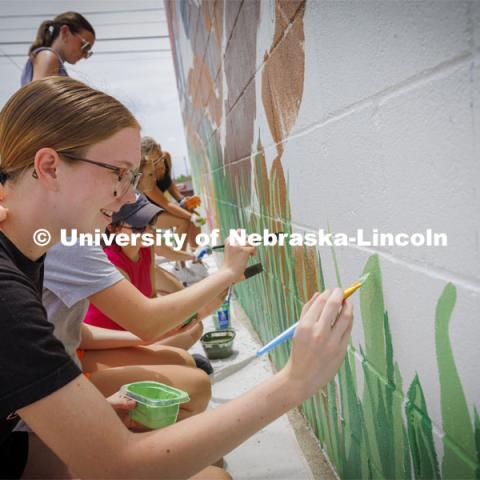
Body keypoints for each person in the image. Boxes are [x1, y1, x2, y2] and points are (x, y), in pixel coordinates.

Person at [0, 76, 353, 479]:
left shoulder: (31, 248)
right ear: (49, 167)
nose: (130, 197)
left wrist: (82, 415)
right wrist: (296, 381)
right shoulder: (10, 288)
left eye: (133, 178)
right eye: (119, 173)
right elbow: (119, 466)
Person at [141, 137, 209, 284]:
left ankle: (198, 260)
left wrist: (182, 200)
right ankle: (179, 266)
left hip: (162, 205)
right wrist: (190, 217)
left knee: (191, 212)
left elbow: (169, 184)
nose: (157, 165)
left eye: (158, 159)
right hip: (147, 211)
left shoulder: (166, 158)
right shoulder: (146, 176)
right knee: (183, 220)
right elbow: (166, 204)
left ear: (160, 149)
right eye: (152, 162)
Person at [21, 11, 95, 85]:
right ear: (65, 32)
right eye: (86, 46)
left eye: (88, 51)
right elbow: (40, 95)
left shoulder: (52, 61)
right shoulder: (47, 56)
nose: (85, 55)